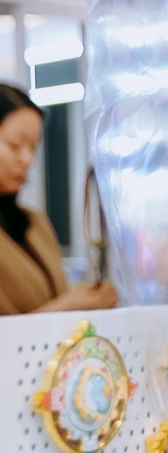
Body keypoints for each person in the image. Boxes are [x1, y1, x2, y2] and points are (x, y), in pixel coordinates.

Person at [0, 85, 115, 314]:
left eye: (33, 146)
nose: (27, 158)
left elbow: (50, 295)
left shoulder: (35, 223)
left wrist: (86, 297)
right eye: (14, 145)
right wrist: (68, 306)